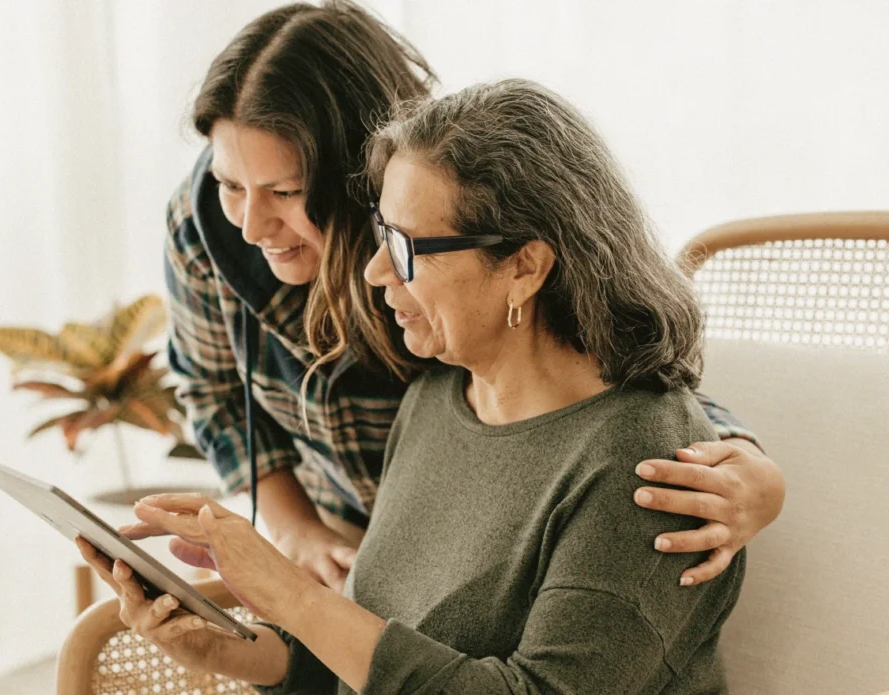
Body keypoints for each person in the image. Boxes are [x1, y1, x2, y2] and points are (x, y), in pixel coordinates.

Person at [79, 78, 748, 692]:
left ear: (524, 266)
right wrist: (227, 647)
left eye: (404, 249)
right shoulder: (436, 399)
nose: (374, 273)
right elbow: (375, 659)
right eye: (380, 236)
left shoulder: (649, 467)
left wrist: (294, 595)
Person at [158, 0, 783, 593]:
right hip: (346, 542)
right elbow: (212, 390)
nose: (250, 225)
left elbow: (595, 367)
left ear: (366, 178)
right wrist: (298, 535)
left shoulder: (440, 233)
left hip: (478, 555)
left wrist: (747, 466)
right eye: (229, 184)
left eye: (287, 191)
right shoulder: (203, 226)